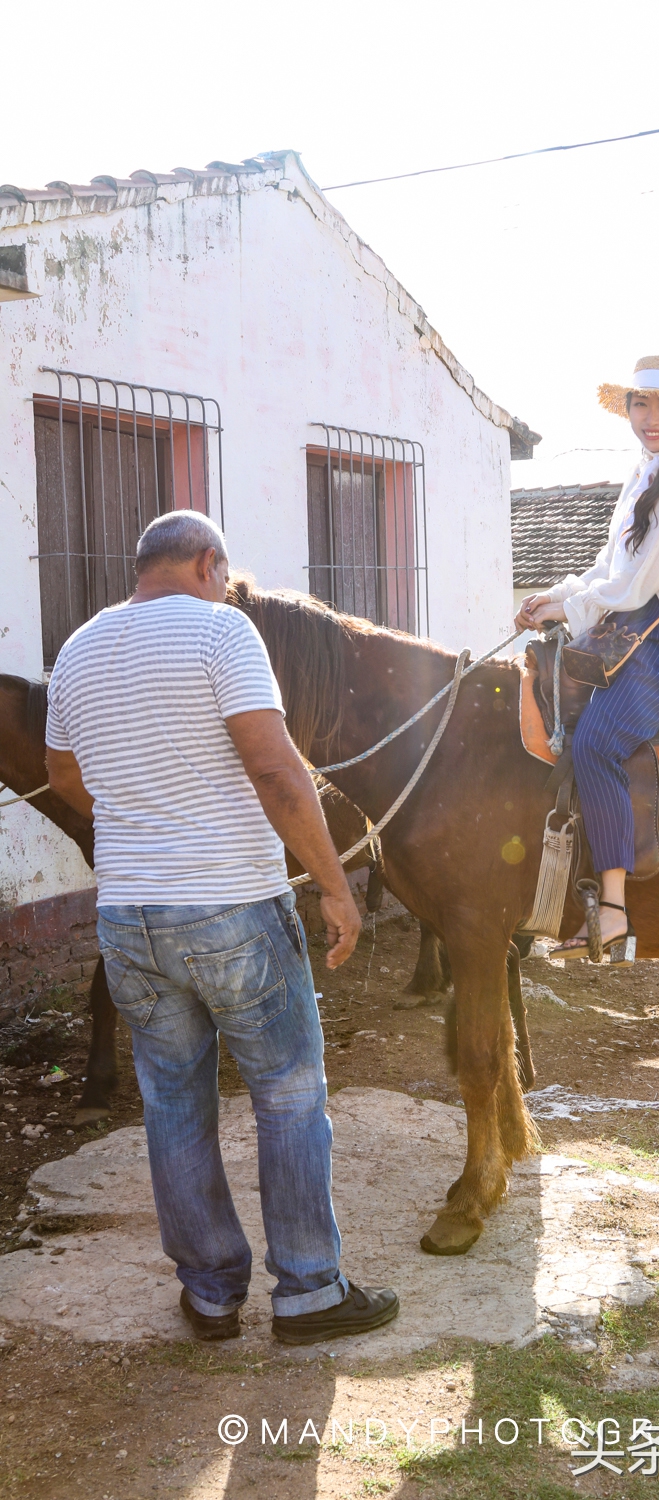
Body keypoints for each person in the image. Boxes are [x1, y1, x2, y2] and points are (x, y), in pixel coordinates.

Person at [45, 510, 399, 1346]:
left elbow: (63, 772)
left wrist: (141, 818)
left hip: (128, 915)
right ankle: (310, 1290)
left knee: (172, 1101)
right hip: (229, 904)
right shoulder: (223, 631)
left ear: (143, 568)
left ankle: (209, 1294)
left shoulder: (81, 645)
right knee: (287, 1093)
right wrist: (334, 886)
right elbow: (276, 769)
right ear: (210, 563)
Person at [515, 355, 659, 963]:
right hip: (628, 629)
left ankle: (612, 910)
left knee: (595, 746)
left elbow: (639, 588)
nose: (651, 417)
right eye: (641, 403)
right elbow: (611, 570)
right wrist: (554, 597)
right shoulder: (647, 472)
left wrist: (572, 611)